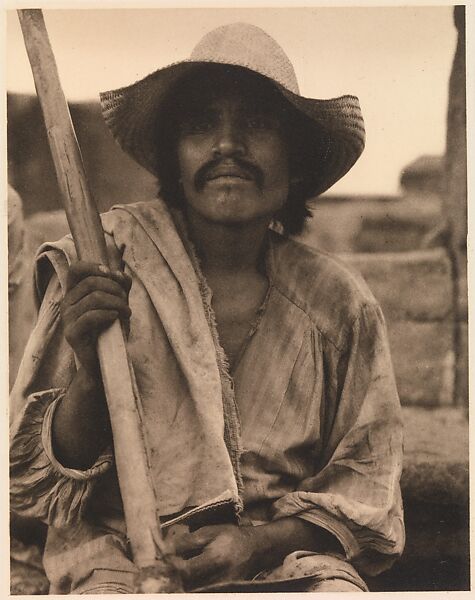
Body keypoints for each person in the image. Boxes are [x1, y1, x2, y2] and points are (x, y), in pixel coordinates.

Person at [10, 23, 404, 594]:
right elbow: (35, 482)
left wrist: (254, 543)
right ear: (174, 160)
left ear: (294, 162)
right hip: (121, 557)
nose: (227, 145)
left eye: (258, 124)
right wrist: (91, 374)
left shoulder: (340, 303)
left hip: (285, 559)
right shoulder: (104, 262)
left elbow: (368, 490)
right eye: (201, 125)